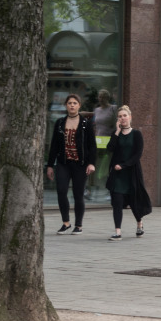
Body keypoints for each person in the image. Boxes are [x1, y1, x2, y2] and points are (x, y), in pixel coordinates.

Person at [45, 93, 97, 234]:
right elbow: (54, 145)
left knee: (78, 194)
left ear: (79, 105)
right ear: (66, 106)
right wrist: (50, 165)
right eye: (69, 103)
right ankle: (66, 222)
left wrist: (91, 163)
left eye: (75, 103)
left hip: (80, 164)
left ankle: (78, 225)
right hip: (63, 163)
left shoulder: (86, 124)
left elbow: (92, 146)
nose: (72, 105)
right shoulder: (60, 123)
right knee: (61, 191)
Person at [105, 104, 153, 238]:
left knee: (134, 201)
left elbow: (138, 154)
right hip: (117, 175)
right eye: (120, 116)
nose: (122, 118)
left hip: (131, 173)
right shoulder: (116, 134)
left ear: (130, 117)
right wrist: (116, 131)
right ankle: (117, 231)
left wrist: (124, 165)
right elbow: (110, 148)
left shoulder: (136, 134)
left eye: (124, 115)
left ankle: (139, 223)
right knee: (117, 202)